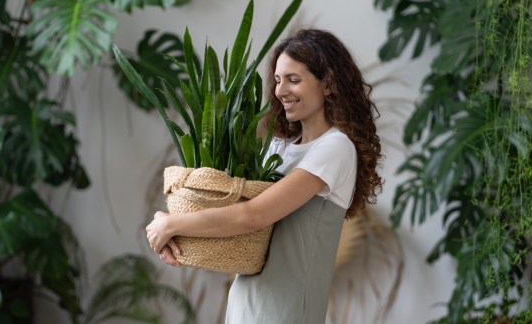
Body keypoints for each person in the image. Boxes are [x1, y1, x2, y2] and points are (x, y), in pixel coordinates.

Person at [146, 28, 383, 324]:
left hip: (288, 311)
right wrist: (171, 229)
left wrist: (172, 224)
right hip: (246, 302)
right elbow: (229, 214)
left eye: (294, 80)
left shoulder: (335, 148)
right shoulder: (279, 146)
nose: (281, 90)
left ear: (328, 84)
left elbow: (253, 215)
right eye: (278, 80)